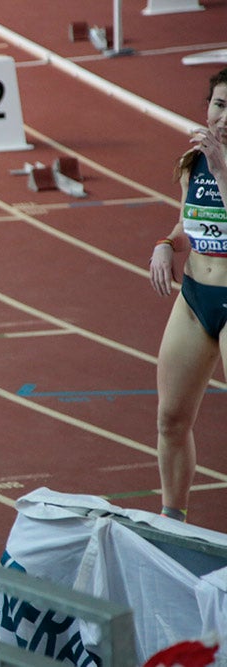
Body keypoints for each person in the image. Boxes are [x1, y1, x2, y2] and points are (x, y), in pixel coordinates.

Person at [149, 66, 227, 523]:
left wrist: (222, 172)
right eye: (219, 105)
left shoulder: (214, 164)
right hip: (196, 297)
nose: (224, 117)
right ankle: (170, 522)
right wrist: (165, 246)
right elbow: (190, 225)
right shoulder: (191, 162)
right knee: (170, 420)